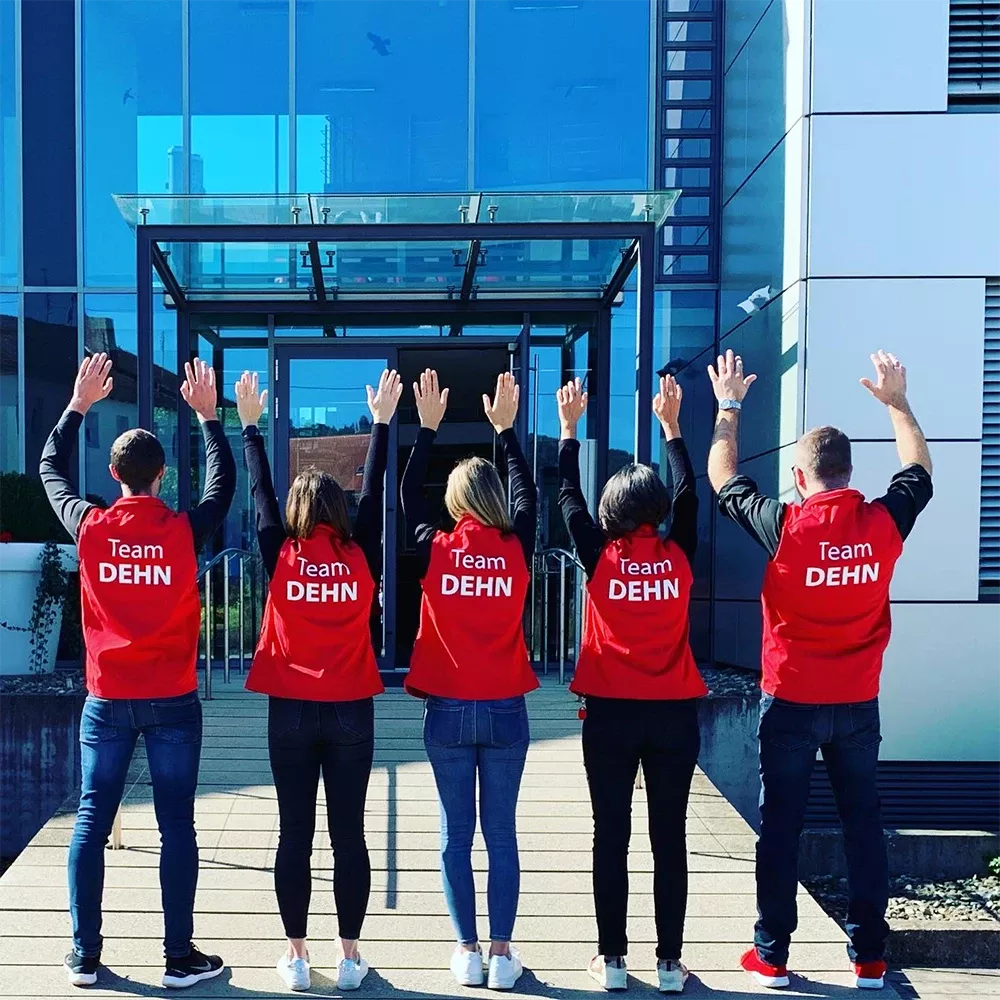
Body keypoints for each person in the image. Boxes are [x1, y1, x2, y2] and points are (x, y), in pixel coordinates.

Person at [706, 350, 933, 991]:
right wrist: (898, 404)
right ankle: (870, 958)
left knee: (780, 829)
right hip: (857, 704)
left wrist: (729, 405)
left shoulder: (784, 527)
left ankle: (772, 956)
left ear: (800, 477)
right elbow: (919, 471)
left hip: (791, 702)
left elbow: (722, 475)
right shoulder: (883, 523)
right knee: (863, 826)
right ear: (848, 472)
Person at [40, 354, 236, 990]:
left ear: (113, 474)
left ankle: (84, 956)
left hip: (107, 699)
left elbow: (49, 468)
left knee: (91, 821)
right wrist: (208, 418)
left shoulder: (91, 527)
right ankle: (178, 958)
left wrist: (78, 405)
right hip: (173, 699)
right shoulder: (181, 531)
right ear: (162, 475)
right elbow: (222, 488)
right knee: (177, 824)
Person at [235, 368, 403, 993]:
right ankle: (350, 957)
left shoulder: (280, 554)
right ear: (339, 513)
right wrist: (381, 422)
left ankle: (298, 958)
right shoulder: (361, 554)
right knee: (349, 834)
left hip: (290, 711)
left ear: (298, 514)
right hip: (352, 708)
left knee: (294, 834)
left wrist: (250, 427)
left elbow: (260, 493)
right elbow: (376, 492)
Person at [556, 376, 705, 994]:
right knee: (670, 838)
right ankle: (669, 965)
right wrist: (672, 429)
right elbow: (691, 494)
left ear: (611, 512)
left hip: (610, 717)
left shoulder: (600, 556)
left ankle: (612, 961)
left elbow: (567, 496)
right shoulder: (680, 553)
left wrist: (568, 431)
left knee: (610, 836)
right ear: (658, 511)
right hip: (675, 716)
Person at [401, 370, 538, 991]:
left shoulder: (436, 548)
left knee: (455, 835)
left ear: (456, 506)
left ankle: (467, 950)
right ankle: (503, 955)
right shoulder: (517, 545)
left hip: (449, 708)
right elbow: (528, 497)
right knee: (502, 834)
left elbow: (406, 499)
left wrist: (426, 429)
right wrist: (506, 432)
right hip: (506, 706)